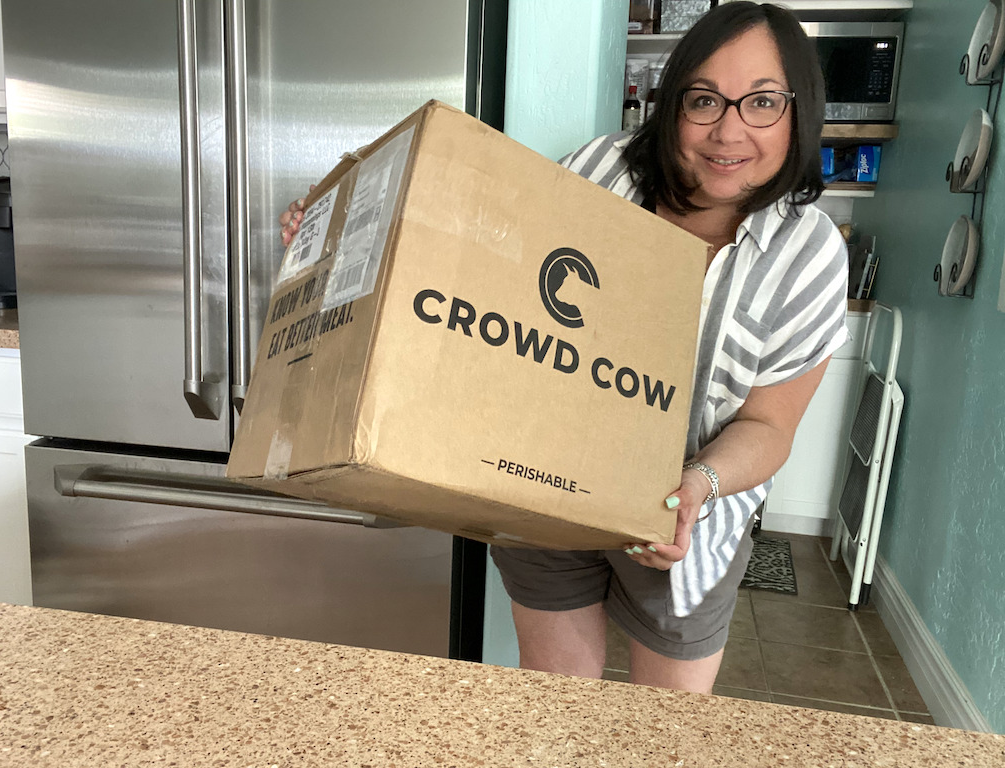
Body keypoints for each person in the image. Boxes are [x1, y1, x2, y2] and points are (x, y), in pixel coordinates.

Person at [279, 2, 848, 695]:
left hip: (683, 527)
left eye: (762, 102)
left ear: (799, 110)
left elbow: (770, 424)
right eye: (704, 100)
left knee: (659, 732)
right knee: (553, 703)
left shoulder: (809, 253)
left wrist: (699, 485)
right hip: (546, 486)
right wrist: (345, 219)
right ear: (673, 105)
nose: (728, 130)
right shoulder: (604, 170)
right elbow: (471, 255)